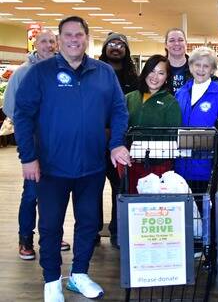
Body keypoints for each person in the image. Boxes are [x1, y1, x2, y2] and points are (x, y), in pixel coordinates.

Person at [14, 16, 130, 301]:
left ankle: (79, 274)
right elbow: (23, 115)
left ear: (87, 38)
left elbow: (119, 111)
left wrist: (116, 145)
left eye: (79, 35)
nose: (74, 39)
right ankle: (51, 279)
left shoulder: (103, 72)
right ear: (59, 39)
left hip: (91, 166)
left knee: (88, 223)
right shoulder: (40, 73)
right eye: (68, 35)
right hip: (51, 167)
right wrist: (28, 158)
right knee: (51, 225)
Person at [2, 29, 71, 260]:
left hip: (58, 145)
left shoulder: (63, 71)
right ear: (35, 44)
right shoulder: (23, 73)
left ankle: (52, 236)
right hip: (32, 143)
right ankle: (25, 239)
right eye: (44, 41)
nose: (49, 45)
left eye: (53, 41)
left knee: (56, 193)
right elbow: (11, 107)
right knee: (32, 192)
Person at [175, 47, 218, 205]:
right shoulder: (181, 92)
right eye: (197, 65)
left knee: (206, 211)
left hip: (208, 166)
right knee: (186, 211)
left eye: (206, 66)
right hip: (181, 165)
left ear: (213, 70)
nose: (201, 69)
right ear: (190, 66)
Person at [98, 32, 138, 248]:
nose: (116, 47)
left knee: (119, 188)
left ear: (126, 49)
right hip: (95, 141)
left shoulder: (134, 78)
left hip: (121, 142)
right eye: (111, 43)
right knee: (92, 188)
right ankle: (93, 229)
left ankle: (116, 229)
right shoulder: (94, 72)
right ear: (105, 48)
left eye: (120, 44)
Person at [125, 54, 182, 193]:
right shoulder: (130, 98)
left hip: (158, 165)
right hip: (131, 163)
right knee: (131, 203)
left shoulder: (171, 102)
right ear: (145, 72)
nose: (155, 77)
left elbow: (173, 135)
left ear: (167, 77)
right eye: (152, 71)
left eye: (161, 73)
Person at [165, 27, 192, 95]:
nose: (177, 43)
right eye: (172, 40)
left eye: (180, 40)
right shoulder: (157, 68)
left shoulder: (196, 68)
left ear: (186, 44)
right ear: (166, 45)